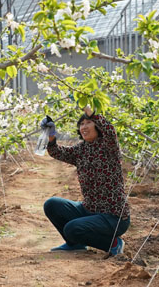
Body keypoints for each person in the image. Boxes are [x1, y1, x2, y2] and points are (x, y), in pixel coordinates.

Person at [40, 105, 130, 256]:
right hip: (89, 210)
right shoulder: (81, 150)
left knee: (72, 229)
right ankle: (75, 244)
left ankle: (113, 243)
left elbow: (110, 131)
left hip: (113, 216)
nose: (84, 127)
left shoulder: (109, 147)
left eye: (88, 122)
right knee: (51, 204)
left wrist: (91, 112)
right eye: (82, 124)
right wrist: (51, 135)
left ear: (98, 126)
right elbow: (56, 151)